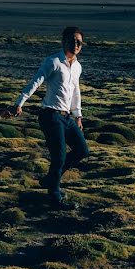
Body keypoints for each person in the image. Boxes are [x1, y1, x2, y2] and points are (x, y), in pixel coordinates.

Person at [13, 27, 88, 209]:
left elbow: (75, 92)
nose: (76, 44)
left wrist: (77, 115)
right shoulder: (53, 61)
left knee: (82, 150)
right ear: (63, 42)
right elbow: (36, 81)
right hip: (51, 115)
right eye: (72, 40)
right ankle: (54, 196)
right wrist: (19, 102)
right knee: (59, 157)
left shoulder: (77, 66)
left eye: (79, 42)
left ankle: (50, 179)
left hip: (67, 117)